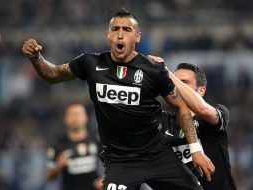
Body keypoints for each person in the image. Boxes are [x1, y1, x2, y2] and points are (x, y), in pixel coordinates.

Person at [22, 8, 214, 190]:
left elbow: (180, 107)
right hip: (120, 162)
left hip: (157, 156)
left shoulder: (153, 70)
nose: (120, 34)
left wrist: (196, 149)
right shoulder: (90, 63)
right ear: (108, 35)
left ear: (137, 37)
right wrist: (36, 57)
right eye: (115, 29)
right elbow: (52, 75)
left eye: (127, 29)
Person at [148, 57, 237, 190]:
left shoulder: (216, 114)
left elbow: (203, 109)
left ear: (201, 91)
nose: (175, 86)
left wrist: (167, 73)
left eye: (183, 82)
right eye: (171, 82)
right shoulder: (163, 122)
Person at [46, 102, 103, 190]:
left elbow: (113, 161)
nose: (75, 118)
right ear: (65, 118)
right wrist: (58, 166)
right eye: (72, 114)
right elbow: (49, 177)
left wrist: (105, 178)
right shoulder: (58, 144)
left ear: (86, 117)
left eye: (79, 114)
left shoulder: (97, 138)